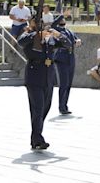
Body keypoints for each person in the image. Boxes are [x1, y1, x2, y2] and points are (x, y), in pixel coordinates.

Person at [18, 17, 71, 150]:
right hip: (34, 75)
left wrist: (58, 34)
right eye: (36, 22)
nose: (39, 24)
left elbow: (68, 44)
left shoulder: (49, 37)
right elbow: (21, 42)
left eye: (41, 22)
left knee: (45, 107)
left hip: (48, 76)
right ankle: (38, 138)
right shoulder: (28, 35)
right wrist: (37, 35)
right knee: (38, 108)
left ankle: (35, 137)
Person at [52, 15, 82, 115]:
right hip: (62, 57)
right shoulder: (56, 29)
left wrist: (78, 41)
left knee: (68, 84)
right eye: (61, 19)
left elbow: (75, 39)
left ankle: (65, 105)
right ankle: (61, 106)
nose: (63, 20)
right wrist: (61, 14)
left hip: (70, 57)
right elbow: (52, 24)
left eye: (63, 18)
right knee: (64, 83)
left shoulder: (69, 31)